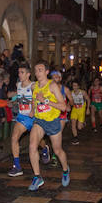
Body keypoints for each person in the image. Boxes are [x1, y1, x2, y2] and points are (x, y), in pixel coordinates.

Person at [27, 61, 70, 191]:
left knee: (57, 150)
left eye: (40, 70)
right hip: (39, 121)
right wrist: (33, 109)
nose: (37, 73)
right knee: (32, 146)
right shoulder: (34, 86)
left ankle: (65, 170)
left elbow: (63, 106)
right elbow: (34, 99)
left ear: (46, 72)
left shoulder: (53, 86)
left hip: (52, 121)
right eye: (35, 70)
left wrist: (45, 101)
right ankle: (37, 177)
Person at [8, 62, 35, 176]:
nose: (20, 74)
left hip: (33, 118)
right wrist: (13, 99)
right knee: (14, 138)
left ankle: (45, 148)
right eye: (19, 72)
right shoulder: (18, 85)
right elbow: (19, 96)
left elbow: (37, 99)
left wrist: (33, 110)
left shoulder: (33, 86)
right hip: (22, 117)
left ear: (28, 74)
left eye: (22, 72)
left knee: (37, 142)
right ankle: (17, 166)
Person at [68, 80, 90, 144]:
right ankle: (75, 138)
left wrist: (88, 108)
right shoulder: (71, 93)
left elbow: (88, 99)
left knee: (79, 127)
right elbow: (70, 101)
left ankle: (83, 123)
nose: (74, 87)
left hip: (81, 109)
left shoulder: (83, 92)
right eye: (73, 86)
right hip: (75, 109)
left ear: (78, 86)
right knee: (73, 124)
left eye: (75, 85)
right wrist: (68, 106)